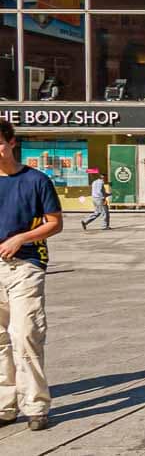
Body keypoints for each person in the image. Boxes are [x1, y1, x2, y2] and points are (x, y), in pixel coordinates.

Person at [0, 120, 63, 430]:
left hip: (25, 265)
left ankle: (36, 405)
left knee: (25, 334)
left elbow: (55, 223)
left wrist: (21, 238)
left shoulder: (36, 180)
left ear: (11, 143)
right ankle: (4, 405)